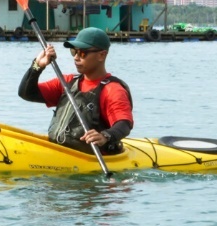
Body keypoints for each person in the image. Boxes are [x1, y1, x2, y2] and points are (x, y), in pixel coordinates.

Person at [17, 26, 133, 154]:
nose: (76, 57)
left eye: (82, 53)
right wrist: (37, 66)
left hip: (90, 159)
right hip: (60, 152)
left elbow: (124, 124)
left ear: (101, 55)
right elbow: (26, 93)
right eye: (74, 52)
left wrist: (105, 136)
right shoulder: (67, 82)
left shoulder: (112, 90)